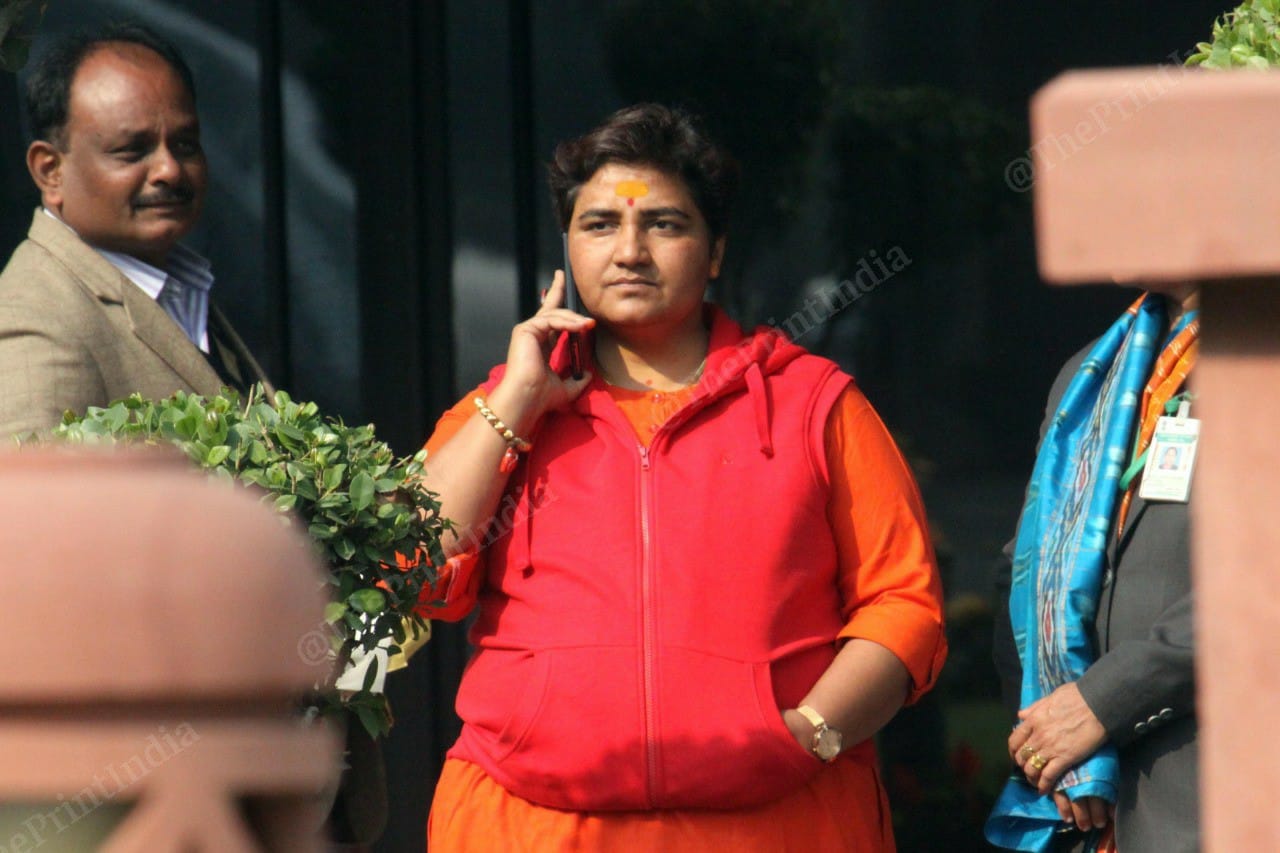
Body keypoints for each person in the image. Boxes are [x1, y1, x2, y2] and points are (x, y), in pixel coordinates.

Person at [415, 104, 946, 851]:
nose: (629, 250)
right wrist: (515, 405)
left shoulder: (812, 403)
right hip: (529, 824)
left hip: (780, 823)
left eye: (664, 224)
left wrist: (812, 731)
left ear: (716, 250)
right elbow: (412, 569)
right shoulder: (502, 407)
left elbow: (902, 605)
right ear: (565, 246)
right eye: (599, 225)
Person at [989, 282, 1199, 853]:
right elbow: (1024, 573)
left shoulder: (1261, 357)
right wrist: (1048, 744)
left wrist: (1104, 702)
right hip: (1088, 814)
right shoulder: (1090, 376)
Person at [0, 22, 269, 439]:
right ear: (50, 171)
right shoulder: (34, 320)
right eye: (131, 151)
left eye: (185, 144)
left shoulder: (172, 281)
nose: (169, 170)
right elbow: (27, 501)